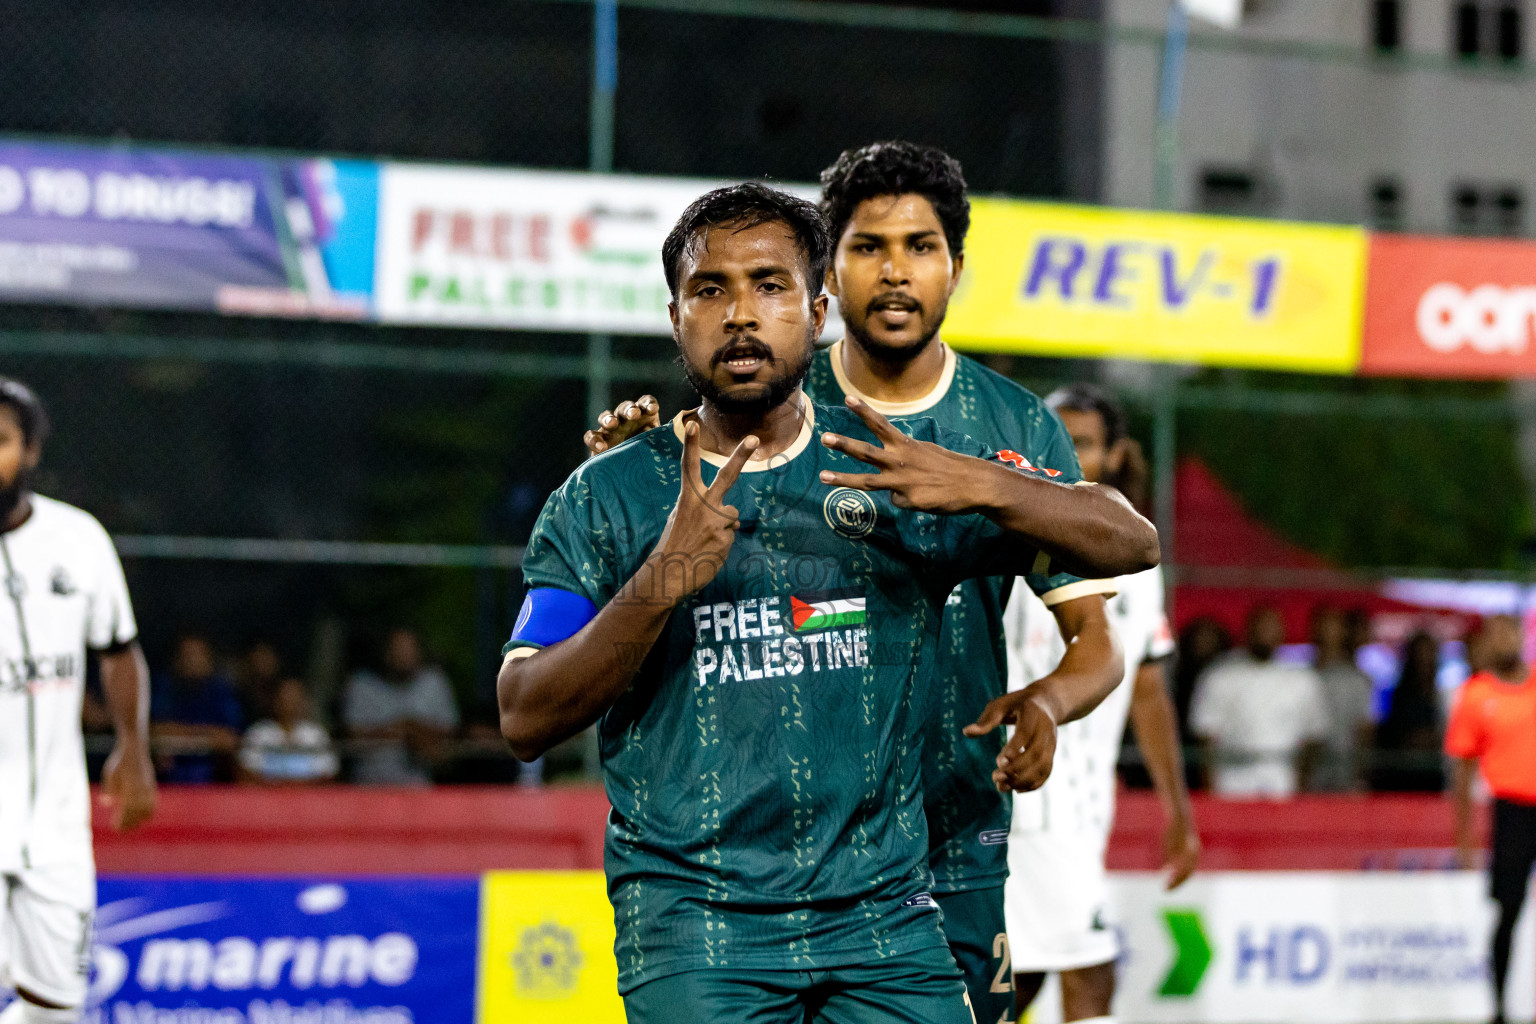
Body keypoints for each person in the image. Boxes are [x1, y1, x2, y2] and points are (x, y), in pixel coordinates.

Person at [501, 183, 1156, 1023]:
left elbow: (1131, 541)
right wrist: (663, 576)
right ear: (676, 318)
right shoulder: (608, 494)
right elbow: (523, 716)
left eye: (769, 286)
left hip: (886, 922)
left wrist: (979, 481)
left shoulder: (892, 468)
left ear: (816, 313)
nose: (741, 314)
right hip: (697, 928)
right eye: (711, 290)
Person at [1002, 384, 1200, 1024]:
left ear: (1116, 456)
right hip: (1026, 800)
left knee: (1020, 983)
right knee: (1089, 977)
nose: (1062, 454)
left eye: (1080, 443)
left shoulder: (1139, 556)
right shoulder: (1007, 539)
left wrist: (1177, 806)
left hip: (1085, 811)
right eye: (1052, 438)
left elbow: (1146, 686)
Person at [0, 378, 156, 1024]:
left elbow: (119, 651)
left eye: (2, 441)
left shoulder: (80, 540)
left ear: (31, 451)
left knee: (56, 1010)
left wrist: (133, 749)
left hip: (56, 828)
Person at [1446, 614, 1536, 1024]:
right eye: (1497, 634)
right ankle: (1498, 1006)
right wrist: (1464, 838)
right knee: (1509, 910)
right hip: (1512, 812)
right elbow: (1463, 774)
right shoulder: (1476, 695)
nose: (1506, 640)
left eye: (1511, 632)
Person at [1189, 606, 1330, 798]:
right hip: (1231, 779)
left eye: (1272, 628)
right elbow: (1206, 736)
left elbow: (1314, 737)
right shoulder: (1221, 675)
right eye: (1261, 627)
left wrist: (1302, 784)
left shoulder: (1303, 679)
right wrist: (1209, 787)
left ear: (1283, 633)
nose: (1266, 634)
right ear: (1248, 630)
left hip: (1283, 779)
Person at [343, 627, 459, 785]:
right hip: (369, 787)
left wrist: (413, 730)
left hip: (419, 788)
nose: (404, 656)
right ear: (385, 652)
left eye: (409, 649)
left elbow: (449, 733)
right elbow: (354, 737)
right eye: (398, 649)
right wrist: (403, 728)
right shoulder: (362, 684)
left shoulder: (434, 682)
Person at [149, 633, 244, 784]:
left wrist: (181, 737)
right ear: (177, 660)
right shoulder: (164, 688)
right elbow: (155, 730)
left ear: (209, 659)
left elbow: (229, 739)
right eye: (187, 655)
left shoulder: (221, 692)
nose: (192, 661)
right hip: (168, 779)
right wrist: (206, 736)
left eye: (198, 655)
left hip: (213, 779)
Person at [1309, 605, 1376, 792]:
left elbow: (1365, 730)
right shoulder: (1303, 677)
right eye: (1324, 626)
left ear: (1344, 632)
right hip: (1312, 769)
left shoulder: (1357, 680)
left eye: (1334, 627)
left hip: (1345, 768)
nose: (1329, 633)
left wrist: (1360, 773)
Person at [1374, 630, 1447, 792]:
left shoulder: (1441, 696)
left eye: (1430, 653)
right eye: (1421, 654)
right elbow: (1391, 734)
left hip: (1433, 777)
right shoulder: (1398, 696)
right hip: (1402, 777)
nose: (1425, 660)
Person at [238, 677, 339, 785]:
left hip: (308, 797)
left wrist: (298, 786)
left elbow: (329, 772)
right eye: (285, 696)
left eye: (295, 697)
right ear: (275, 700)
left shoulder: (315, 734)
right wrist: (278, 786)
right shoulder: (259, 732)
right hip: (266, 796)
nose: (290, 701)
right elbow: (245, 771)